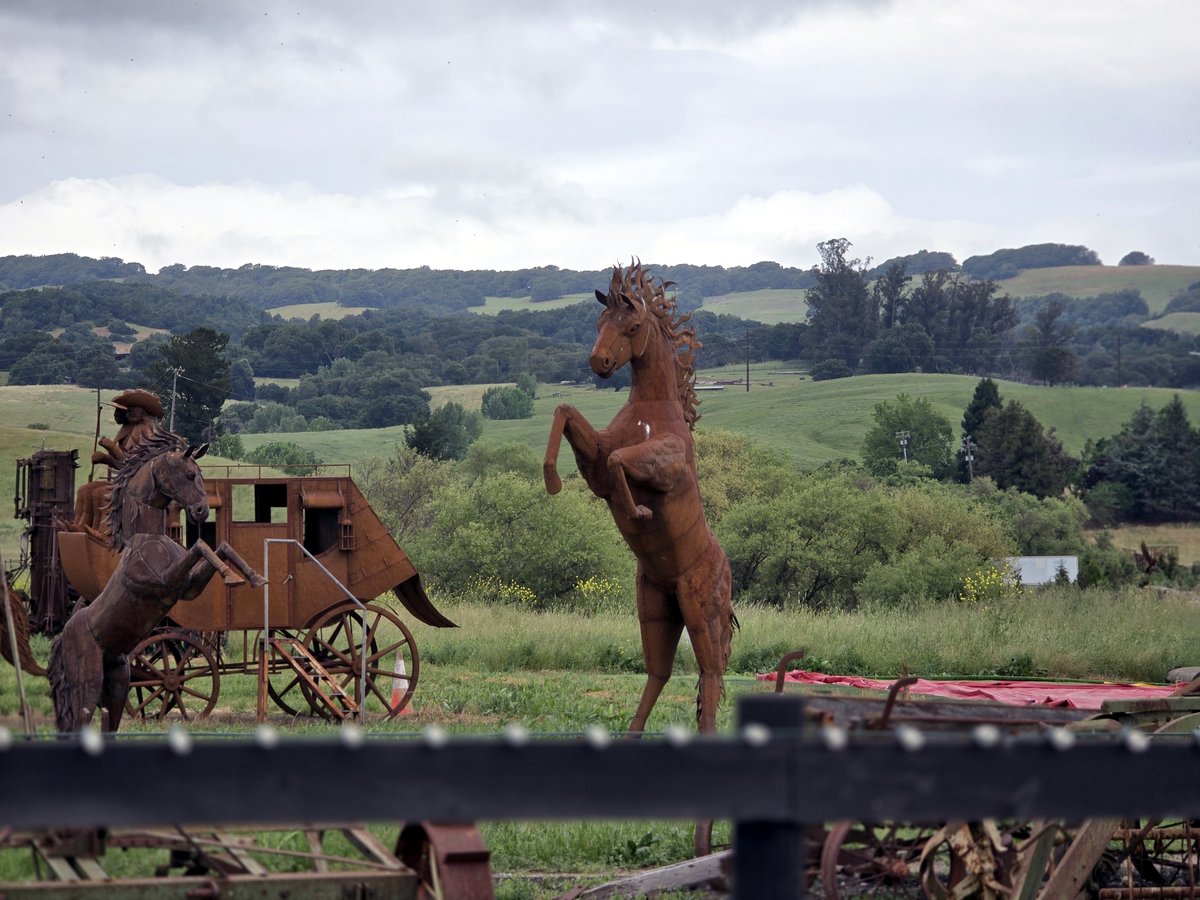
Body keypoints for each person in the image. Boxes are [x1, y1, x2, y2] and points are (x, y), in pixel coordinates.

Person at [72, 390, 166, 538]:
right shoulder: (130, 429)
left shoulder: (146, 429)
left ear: (143, 411)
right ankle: (80, 525)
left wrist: (112, 448)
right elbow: (122, 464)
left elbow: (133, 462)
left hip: (142, 482)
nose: (128, 412)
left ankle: (105, 532)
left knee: (100, 494)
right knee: (85, 490)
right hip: (129, 478)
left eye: (131, 409)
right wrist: (105, 458)